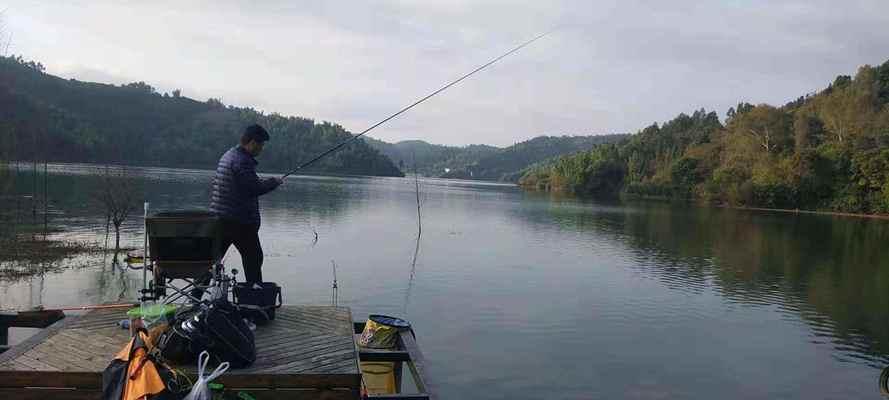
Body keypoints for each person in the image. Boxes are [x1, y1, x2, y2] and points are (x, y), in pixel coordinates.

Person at [209, 124, 283, 285]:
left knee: (211, 262)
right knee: (254, 258)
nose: (261, 149)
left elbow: (245, 183)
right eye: (260, 144)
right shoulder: (242, 161)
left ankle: (194, 297)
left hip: (221, 219)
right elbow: (253, 188)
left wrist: (266, 182)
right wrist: (273, 182)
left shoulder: (229, 155)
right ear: (251, 142)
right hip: (239, 221)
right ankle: (254, 299)